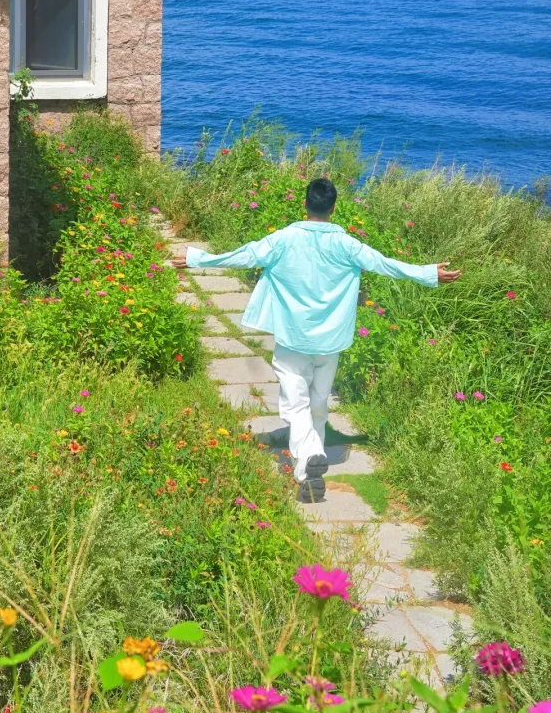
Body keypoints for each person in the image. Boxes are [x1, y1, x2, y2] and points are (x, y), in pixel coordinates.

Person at [180, 177, 461, 502]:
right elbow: (385, 264)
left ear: (305, 204)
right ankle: (312, 454)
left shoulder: (285, 239)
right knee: (317, 402)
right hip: (330, 341)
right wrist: (428, 273)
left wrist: (196, 259)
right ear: (333, 208)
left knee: (295, 403)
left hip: (293, 338)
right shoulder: (347, 244)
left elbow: (245, 255)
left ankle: (309, 459)